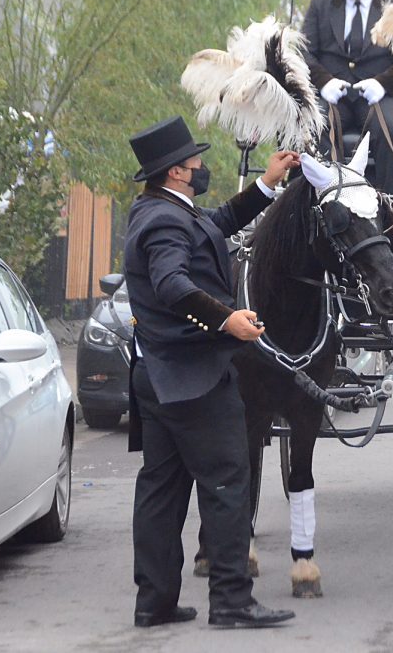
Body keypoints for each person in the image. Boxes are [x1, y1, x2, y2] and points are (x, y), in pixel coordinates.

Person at [124, 115, 298, 629]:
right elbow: (172, 285)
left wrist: (265, 185)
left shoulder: (164, 210)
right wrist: (228, 320)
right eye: (197, 163)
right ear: (177, 172)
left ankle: (154, 602)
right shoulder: (163, 222)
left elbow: (215, 225)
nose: (203, 169)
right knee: (227, 482)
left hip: (161, 376)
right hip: (194, 377)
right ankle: (231, 601)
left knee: (162, 490)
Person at [301, 0, 393, 193]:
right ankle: (321, 207)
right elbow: (303, 52)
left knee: (391, 130)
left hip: (378, 98)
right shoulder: (320, 7)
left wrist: (383, 84)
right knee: (314, 127)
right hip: (332, 97)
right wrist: (323, 82)